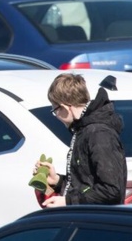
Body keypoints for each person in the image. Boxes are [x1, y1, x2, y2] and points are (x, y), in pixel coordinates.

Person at [33, 73, 126, 206]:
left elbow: (111, 191)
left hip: (98, 222)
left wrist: (67, 201)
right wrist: (57, 181)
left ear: (65, 107)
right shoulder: (83, 130)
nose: (56, 115)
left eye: (55, 110)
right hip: (85, 218)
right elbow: (85, 185)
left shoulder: (99, 135)